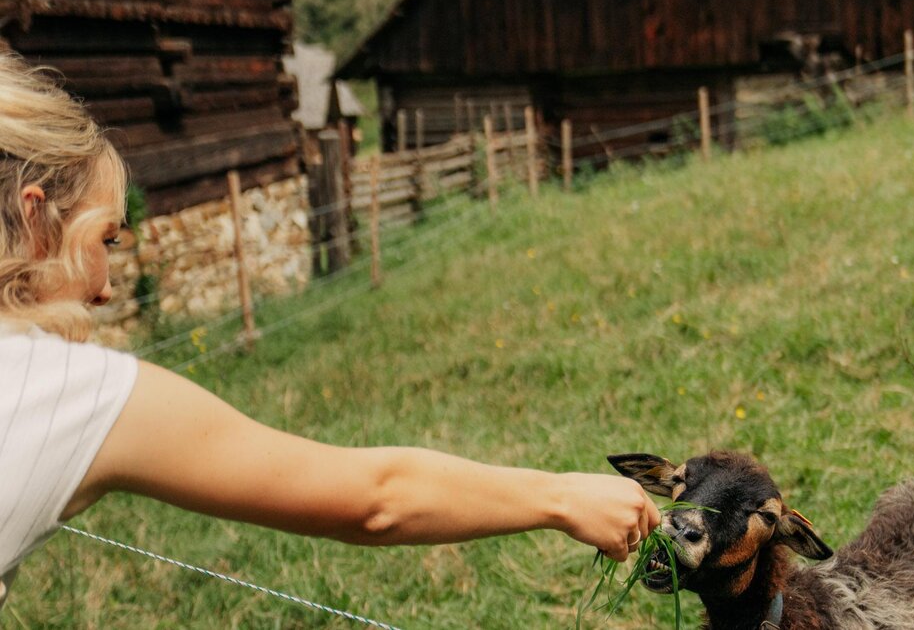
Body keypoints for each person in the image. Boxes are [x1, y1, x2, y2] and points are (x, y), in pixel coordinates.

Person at [0, 51, 659, 612]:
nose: (109, 284)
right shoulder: (71, 391)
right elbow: (376, 498)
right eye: (105, 238)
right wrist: (561, 494)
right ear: (38, 221)